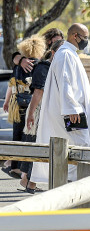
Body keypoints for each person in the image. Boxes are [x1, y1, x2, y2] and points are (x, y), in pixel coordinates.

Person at [29, 24, 90, 187]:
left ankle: (71, 181)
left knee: (77, 144)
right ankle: (72, 182)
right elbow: (65, 82)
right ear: (75, 36)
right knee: (81, 144)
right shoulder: (66, 54)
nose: (86, 41)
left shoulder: (69, 53)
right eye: (85, 37)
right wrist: (72, 108)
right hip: (72, 113)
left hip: (72, 111)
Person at [20, 39, 63, 192]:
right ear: (53, 53)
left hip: (49, 112)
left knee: (40, 146)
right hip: (39, 111)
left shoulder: (56, 67)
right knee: (37, 145)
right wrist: (31, 114)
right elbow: (38, 92)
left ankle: (28, 180)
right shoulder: (43, 67)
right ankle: (28, 181)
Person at [1, 36, 46, 181]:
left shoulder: (18, 66)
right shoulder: (39, 66)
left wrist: (6, 102)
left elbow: (11, 85)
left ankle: (14, 166)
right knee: (29, 138)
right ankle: (24, 170)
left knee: (17, 136)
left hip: (17, 105)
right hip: (33, 106)